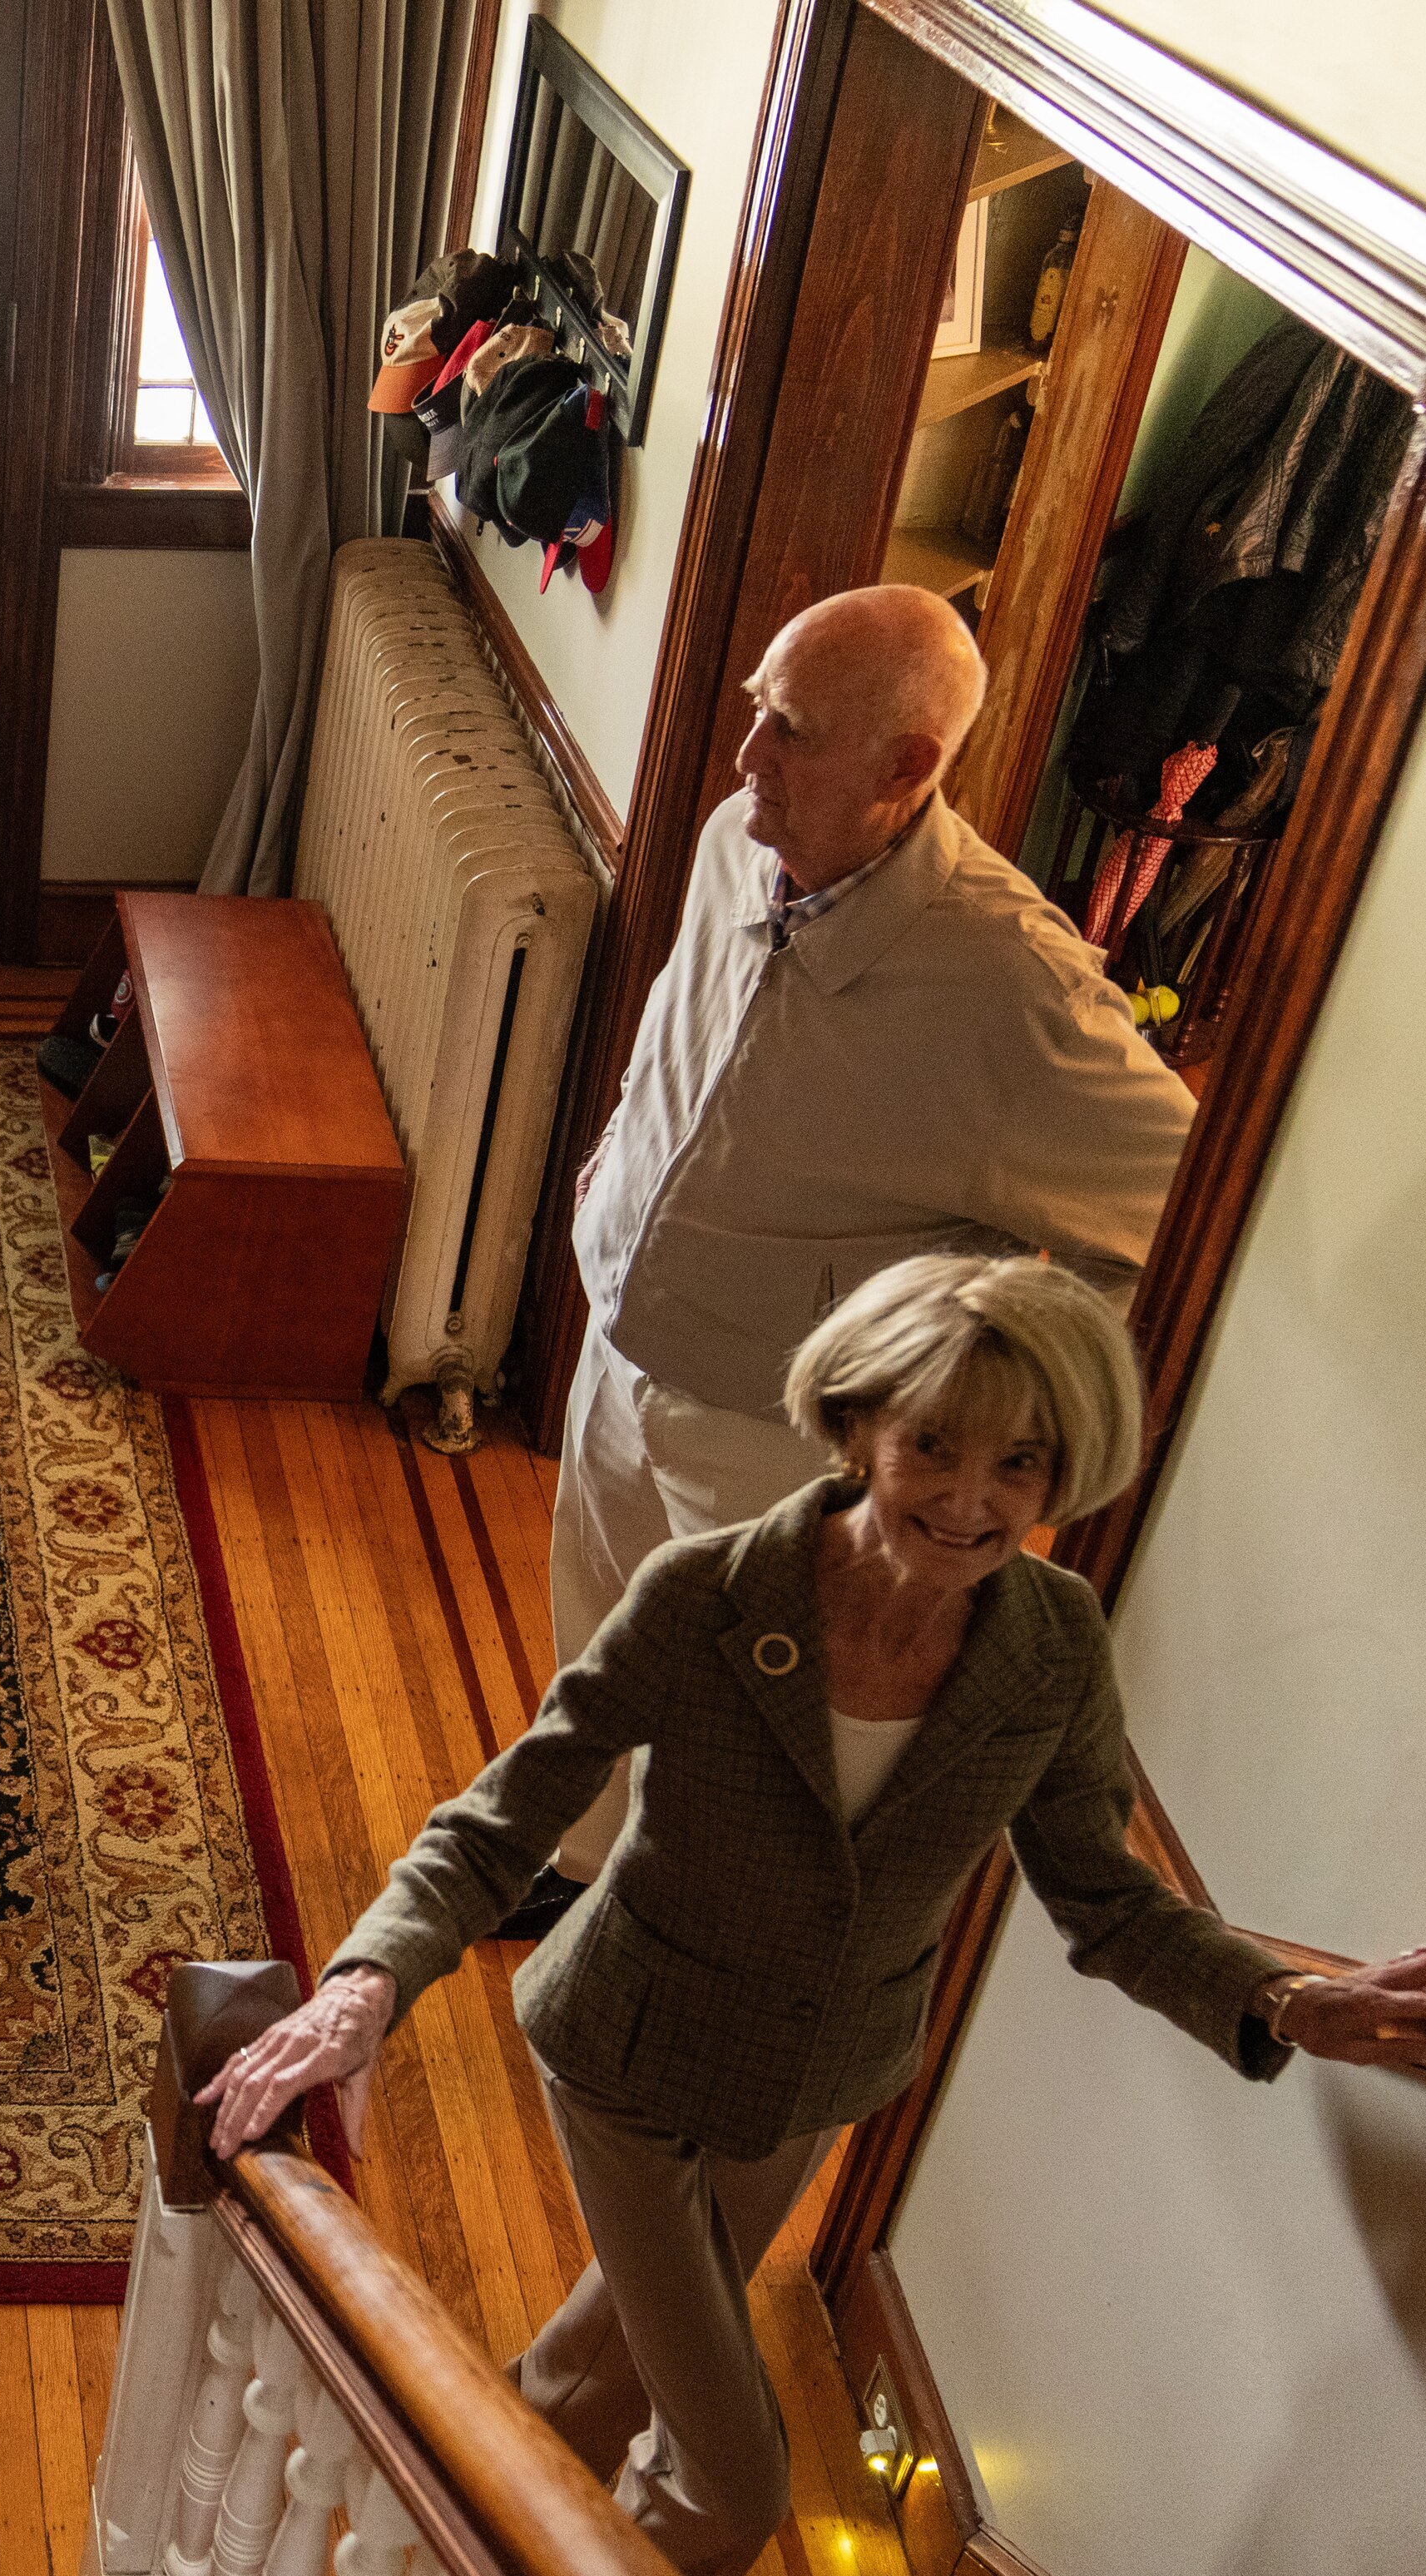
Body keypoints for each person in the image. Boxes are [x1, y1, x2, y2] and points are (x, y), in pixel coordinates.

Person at [196, 1255, 1426, 2576]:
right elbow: (503, 1816)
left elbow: (1105, 1897)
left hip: (819, 2079)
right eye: (934, 1442)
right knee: (735, 2475)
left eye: (1021, 1462)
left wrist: (1286, 1999)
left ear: (1067, 1473)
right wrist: (363, 1987)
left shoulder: (1054, 1648)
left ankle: (438, 2552)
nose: (970, 1497)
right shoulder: (706, 1597)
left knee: (601, 2363)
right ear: (859, 1417)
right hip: (631, 2057)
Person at [512, 582, 1198, 1933]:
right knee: (595, 1635)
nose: (747, 760)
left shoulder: (1015, 987)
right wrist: (618, 1152)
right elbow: (676, 1018)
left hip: (771, 1432)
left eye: (792, 732)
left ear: (908, 769)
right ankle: (576, 1863)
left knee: (744, 1725)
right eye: (757, 712)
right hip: (621, 1340)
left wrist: (997, 1393)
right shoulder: (732, 841)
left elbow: (1192, 1199)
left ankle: (676, 1930)